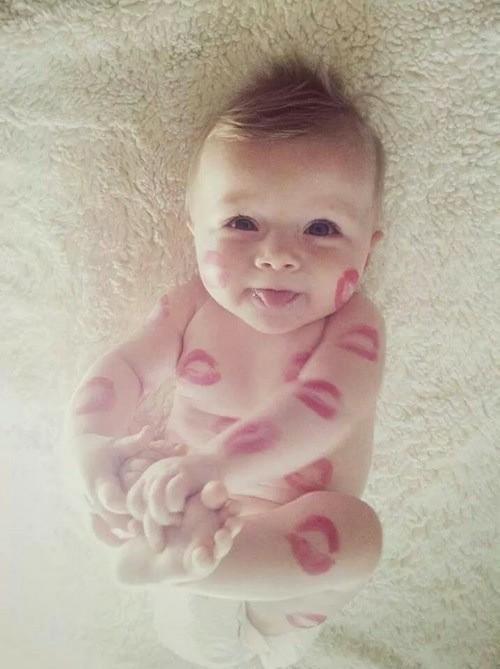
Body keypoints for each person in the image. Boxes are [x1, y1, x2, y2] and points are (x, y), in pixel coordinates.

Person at [62, 54, 387, 668]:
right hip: (181, 523)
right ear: (194, 227)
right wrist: (89, 443)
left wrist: (216, 463)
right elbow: (124, 368)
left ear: (368, 248)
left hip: (282, 575)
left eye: (321, 228)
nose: (278, 255)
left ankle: (196, 563)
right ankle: (184, 560)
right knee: (141, 500)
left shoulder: (354, 324)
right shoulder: (189, 307)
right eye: (242, 222)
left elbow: (325, 407)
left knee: (358, 534)